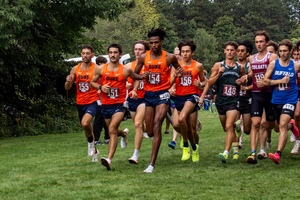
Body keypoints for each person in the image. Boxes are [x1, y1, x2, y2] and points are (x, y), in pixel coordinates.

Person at [134, 28, 184, 173]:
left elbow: (179, 70)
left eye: (156, 42)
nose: (154, 45)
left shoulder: (169, 57)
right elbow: (135, 74)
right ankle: (158, 138)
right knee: (149, 131)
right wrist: (143, 76)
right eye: (151, 43)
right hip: (149, 95)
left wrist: (178, 75)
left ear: (161, 42)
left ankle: (151, 164)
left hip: (163, 94)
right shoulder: (144, 57)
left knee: (157, 125)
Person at [90, 43, 135, 170]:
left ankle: (109, 159)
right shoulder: (101, 68)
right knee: (113, 129)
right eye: (110, 52)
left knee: (111, 130)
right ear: (108, 54)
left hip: (119, 104)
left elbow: (135, 79)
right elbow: (92, 82)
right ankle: (124, 134)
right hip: (105, 105)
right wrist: (101, 87)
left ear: (120, 54)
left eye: (115, 52)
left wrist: (133, 89)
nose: (113, 55)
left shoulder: (125, 69)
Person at [205, 41, 246, 163]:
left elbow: (243, 81)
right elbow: (209, 82)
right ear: (224, 51)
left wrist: (242, 81)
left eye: (232, 50)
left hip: (233, 101)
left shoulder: (240, 67)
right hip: (221, 101)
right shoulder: (218, 65)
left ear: (236, 52)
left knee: (229, 127)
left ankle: (226, 153)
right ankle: (237, 129)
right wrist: (218, 74)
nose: (229, 52)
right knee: (227, 128)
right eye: (227, 50)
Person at [261, 39, 300, 164]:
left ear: (290, 51)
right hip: (276, 99)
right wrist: (280, 81)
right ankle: (292, 126)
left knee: (283, 124)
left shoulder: (295, 65)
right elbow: (265, 81)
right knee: (278, 128)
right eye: (281, 51)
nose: (282, 53)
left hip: (290, 99)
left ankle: (278, 154)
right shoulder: (273, 64)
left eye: (285, 51)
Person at [169, 39, 206, 162]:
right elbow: (170, 83)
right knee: (181, 126)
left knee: (182, 120)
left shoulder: (198, 66)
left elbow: (204, 82)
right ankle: (194, 146)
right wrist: (174, 80)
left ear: (192, 53)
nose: (184, 54)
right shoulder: (176, 66)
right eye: (183, 51)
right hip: (179, 97)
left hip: (192, 97)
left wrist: (199, 84)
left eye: (187, 51)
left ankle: (186, 146)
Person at [246, 30, 278, 164]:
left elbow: (276, 73)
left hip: (270, 93)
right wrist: (245, 78)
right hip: (256, 93)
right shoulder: (252, 58)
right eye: (257, 42)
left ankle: (263, 147)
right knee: (256, 123)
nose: (259, 44)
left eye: (261, 42)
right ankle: (253, 153)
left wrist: (266, 81)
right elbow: (251, 73)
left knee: (269, 124)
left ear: (266, 43)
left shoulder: (272, 57)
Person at [64, 44, 99, 162]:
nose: (85, 55)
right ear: (81, 54)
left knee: (85, 123)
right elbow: (67, 87)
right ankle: (94, 150)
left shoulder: (96, 68)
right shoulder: (75, 69)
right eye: (83, 53)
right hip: (80, 102)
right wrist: (68, 81)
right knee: (86, 127)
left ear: (92, 55)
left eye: (87, 53)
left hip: (93, 101)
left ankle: (90, 144)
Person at [126, 40, 150, 164]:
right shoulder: (129, 66)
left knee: (137, 124)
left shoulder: (149, 65)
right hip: (132, 98)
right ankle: (125, 135)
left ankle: (135, 155)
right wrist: (126, 85)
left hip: (145, 98)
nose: (137, 52)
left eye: (140, 49)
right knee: (139, 126)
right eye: (136, 49)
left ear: (145, 52)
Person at [236, 40, 254, 148]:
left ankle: (243, 134)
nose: (240, 53)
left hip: (248, 97)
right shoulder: (233, 65)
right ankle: (237, 146)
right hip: (236, 98)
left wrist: (246, 85)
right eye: (238, 51)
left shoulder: (250, 65)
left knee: (247, 129)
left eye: (242, 51)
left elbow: (254, 79)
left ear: (247, 53)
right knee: (235, 123)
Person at [168, 46, 182, 149]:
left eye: (178, 54)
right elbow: (171, 79)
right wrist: (171, 89)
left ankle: (183, 137)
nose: (177, 56)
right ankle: (174, 140)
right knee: (175, 118)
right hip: (175, 95)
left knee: (183, 119)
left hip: (186, 95)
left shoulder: (188, 65)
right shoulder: (172, 66)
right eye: (175, 55)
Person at [93, 56, 109, 145]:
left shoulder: (105, 73)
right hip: (99, 100)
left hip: (106, 100)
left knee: (107, 119)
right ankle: (95, 139)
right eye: (104, 64)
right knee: (98, 121)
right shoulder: (96, 74)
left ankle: (107, 137)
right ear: (99, 64)